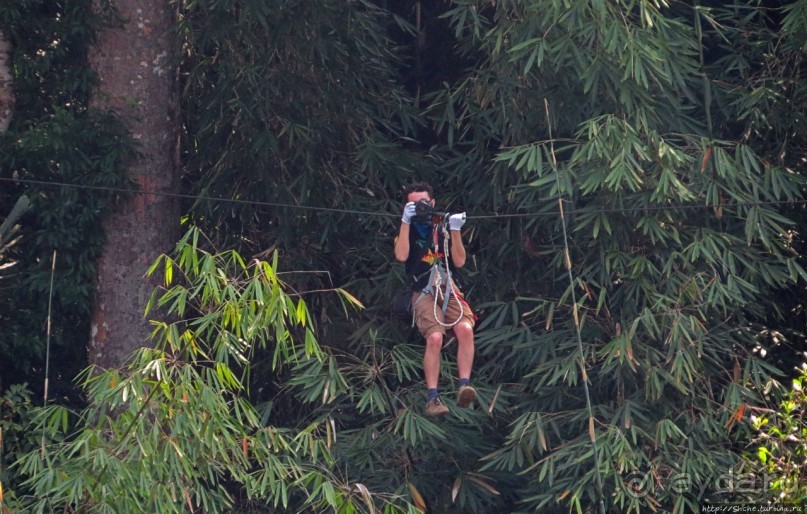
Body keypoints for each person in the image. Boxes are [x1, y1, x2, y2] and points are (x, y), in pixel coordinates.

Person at [394, 182, 477, 417]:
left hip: (448, 284)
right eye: (413, 203)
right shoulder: (407, 227)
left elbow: (459, 262)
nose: (419, 207)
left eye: (422, 202)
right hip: (422, 288)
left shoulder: (442, 224)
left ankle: (464, 385)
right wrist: (405, 220)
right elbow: (401, 255)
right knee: (435, 337)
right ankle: (433, 397)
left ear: (432, 203)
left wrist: (456, 230)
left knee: (465, 328)